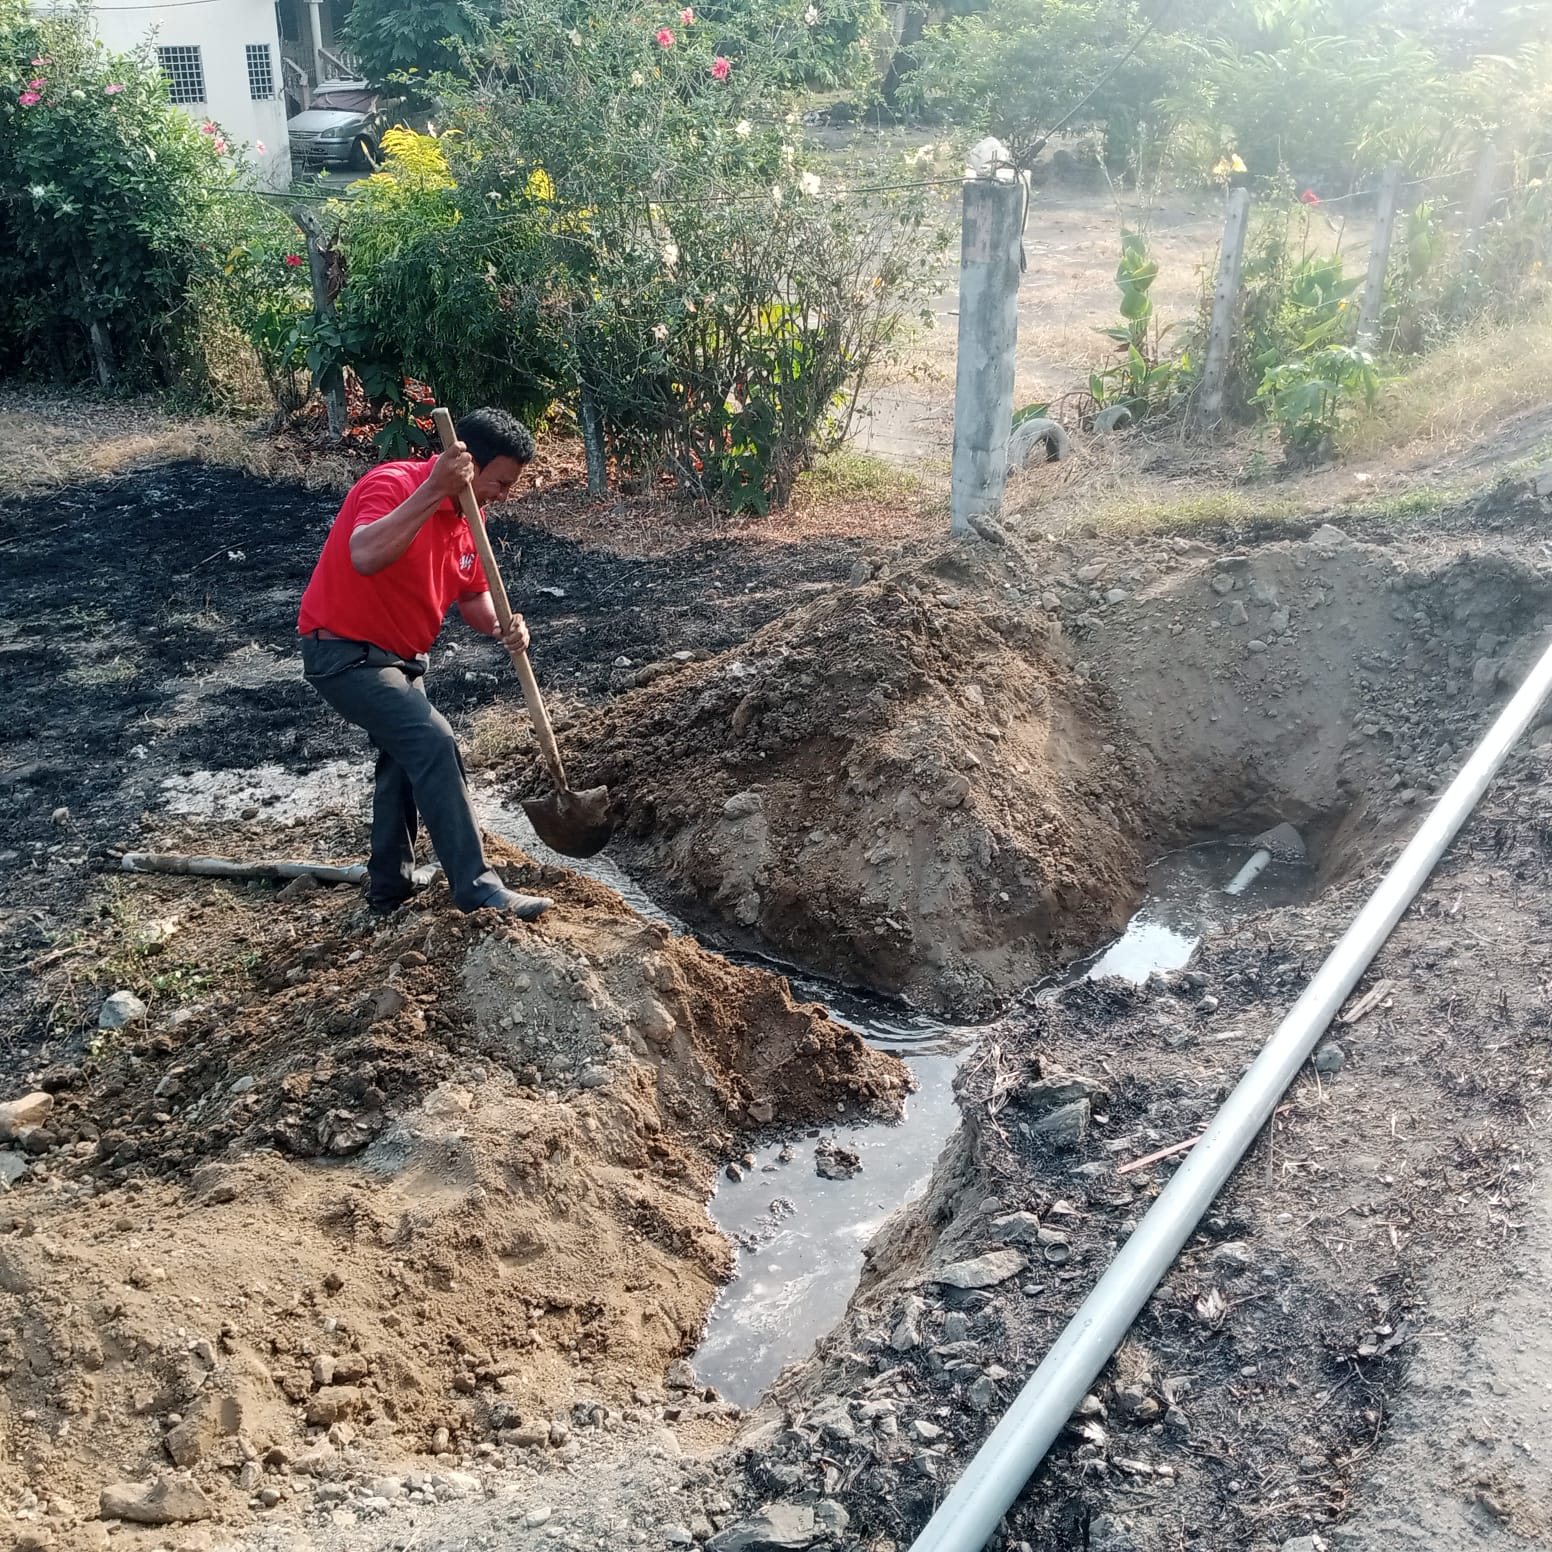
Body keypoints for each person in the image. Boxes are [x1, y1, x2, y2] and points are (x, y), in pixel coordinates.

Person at [297, 407, 552, 920]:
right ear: (468, 465)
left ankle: (388, 891)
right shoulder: (393, 483)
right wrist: (434, 488)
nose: (504, 496)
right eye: (500, 483)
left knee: (403, 762)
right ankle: (477, 889)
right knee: (433, 740)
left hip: (402, 661)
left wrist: (503, 624)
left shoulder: (469, 520)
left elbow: (474, 596)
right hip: (343, 652)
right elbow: (365, 555)